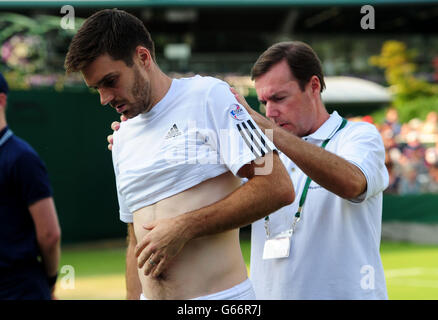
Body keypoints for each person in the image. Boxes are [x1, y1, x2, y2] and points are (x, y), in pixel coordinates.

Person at [110, 41, 389, 300]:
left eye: (279, 98)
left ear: (313, 86)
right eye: (263, 102)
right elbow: (198, 167)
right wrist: (139, 140)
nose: (270, 112)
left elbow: (352, 182)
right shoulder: (255, 147)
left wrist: (261, 126)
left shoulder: (358, 136)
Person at [65, 9, 294, 300]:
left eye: (110, 81)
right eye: (96, 88)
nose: (105, 98)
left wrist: (184, 227)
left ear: (142, 58)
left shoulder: (211, 96)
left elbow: (277, 185)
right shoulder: (121, 138)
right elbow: (135, 241)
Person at [0, 72, 61, 299]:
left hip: (21, 289)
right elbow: (50, 234)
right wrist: (51, 278)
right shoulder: (21, 156)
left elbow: (49, 234)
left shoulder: (21, 157)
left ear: (1, 100)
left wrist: (50, 280)